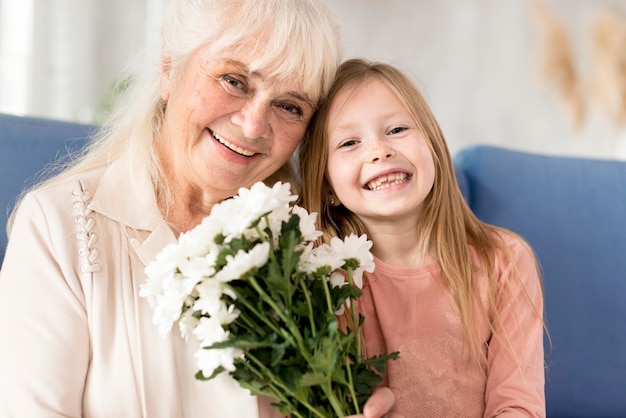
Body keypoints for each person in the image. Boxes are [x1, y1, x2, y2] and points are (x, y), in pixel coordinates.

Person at [0, 1, 400, 416]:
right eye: (234, 81)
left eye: (289, 106)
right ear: (169, 68)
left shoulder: (313, 246)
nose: (252, 125)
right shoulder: (57, 226)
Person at [298, 58, 547, 417]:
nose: (379, 150)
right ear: (327, 186)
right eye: (350, 142)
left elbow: (517, 405)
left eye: (397, 130)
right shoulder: (322, 282)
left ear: (433, 147)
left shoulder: (503, 260)